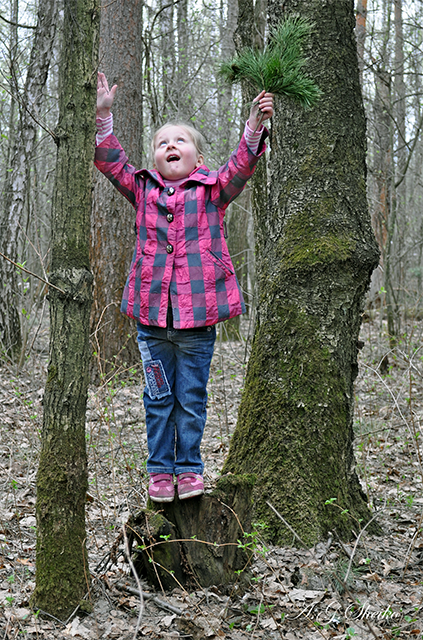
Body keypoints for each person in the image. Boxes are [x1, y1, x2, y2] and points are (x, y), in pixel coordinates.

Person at [95, 72, 273, 503]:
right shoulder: (143, 189)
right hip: (152, 323)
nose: (171, 146)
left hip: (198, 322)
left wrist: (253, 126)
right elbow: (112, 163)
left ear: (196, 156)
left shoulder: (212, 191)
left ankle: (190, 468)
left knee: (190, 401)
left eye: (180, 141)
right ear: (155, 157)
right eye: (162, 143)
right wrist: (104, 118)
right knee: (158, 400)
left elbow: (240, 167)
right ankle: (160, 471)